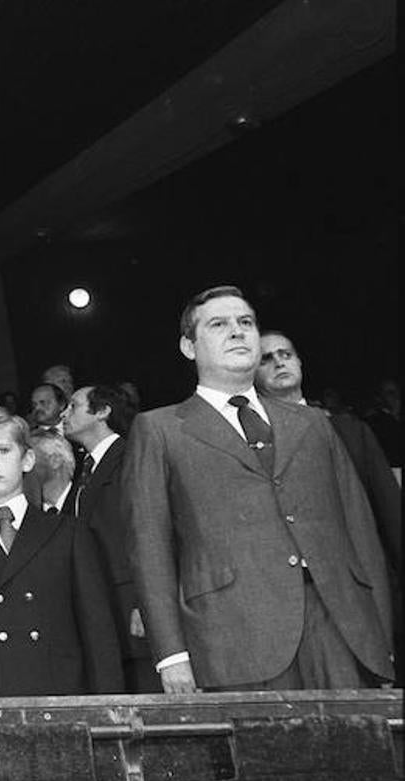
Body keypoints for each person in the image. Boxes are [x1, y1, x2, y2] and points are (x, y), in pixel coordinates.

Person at [124, 285, 394, 692]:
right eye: (219, 324)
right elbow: (149, 547)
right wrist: (171, 655)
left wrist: (380, 636)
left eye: (245, 322)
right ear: (188, 346)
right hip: (234, 638)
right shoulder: (159, 429)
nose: (238, 332)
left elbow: (360, 531)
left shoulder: (313, 423)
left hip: (342, 631)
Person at [0, 406, 121, 696]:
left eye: (2, 450)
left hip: (63, 697)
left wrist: (110, 712)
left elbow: (99, 634)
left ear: (27, 459)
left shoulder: (69, 534)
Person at [254, 331, 400, 569]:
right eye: (266, 359)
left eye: (286, 354)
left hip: (362, 570)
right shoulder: (253, 442)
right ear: (252, 372)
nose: (279, 362)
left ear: (299, 361)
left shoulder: (352, 432)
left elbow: (391, 512)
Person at [63, 384, 158, 692]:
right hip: (103, 607)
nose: (64, 414)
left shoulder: (133, 454)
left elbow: (147, 529)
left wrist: (147, 600)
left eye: (73, 406)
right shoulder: (85, 469)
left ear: (102, 411)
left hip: (134, 606)